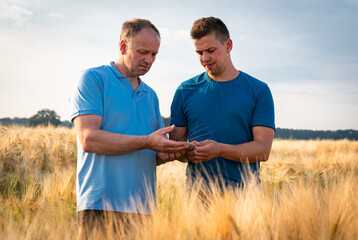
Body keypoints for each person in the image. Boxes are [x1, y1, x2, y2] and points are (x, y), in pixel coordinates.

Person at [69, 18, 187, 237]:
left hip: (143, 209)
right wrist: (146, 141)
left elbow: (150, 152)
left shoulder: (150, 96)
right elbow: (89, 139)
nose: (149, 60)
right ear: (123, 46)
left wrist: (167, 154)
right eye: (143, 52)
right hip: (99, 206)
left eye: (154, 55)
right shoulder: (93, 79)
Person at [169, 17, 275, 193]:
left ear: (228, 45)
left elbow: (263, 150)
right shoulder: (185, 90)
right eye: (199, 52)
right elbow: (175, 146)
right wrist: (189, 152)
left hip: (246, 194)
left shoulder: (258, 90)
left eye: (211, 50)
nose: (204, 58)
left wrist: (219, 150)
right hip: (197, 195)